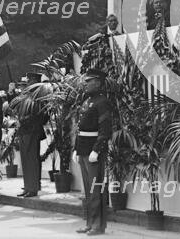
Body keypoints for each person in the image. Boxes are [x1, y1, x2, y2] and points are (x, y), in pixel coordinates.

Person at [74, 69, 111, 236]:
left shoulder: (102, 102)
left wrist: (97, 149)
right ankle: (89, 223)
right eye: (86, 81)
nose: (86, 84)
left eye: (89, 81)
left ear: (98, 82)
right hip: (83, 150)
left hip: (93, 151)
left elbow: (105, 130)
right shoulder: (87, 101)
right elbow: (80, 128)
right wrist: (76, 149)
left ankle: (98, 225)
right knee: (88, 190)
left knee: (96, 190)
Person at [16, 73, 48, 198]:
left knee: (32, 160)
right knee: (25, 160)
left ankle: (33, 188)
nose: (28, 83)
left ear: (35, 81)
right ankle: (28, 186)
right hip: (24, 131)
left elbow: (43, 115)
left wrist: (27, 120)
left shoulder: (40, 96)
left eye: (30, 80)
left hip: (32, 131)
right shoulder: (27, 95)